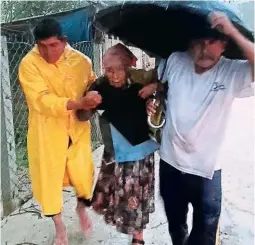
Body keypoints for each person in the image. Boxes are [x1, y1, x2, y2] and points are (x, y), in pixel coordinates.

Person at [147, 11, 254, 245]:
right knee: (176, 226)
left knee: (205, 234)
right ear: (189, 43)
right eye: (199, 42)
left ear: (224, 45)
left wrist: (233, 30)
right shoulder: (175, 60)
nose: (205, 49)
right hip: (170, 163)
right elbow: (163, 88)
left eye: (213, 42)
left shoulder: (233, 71)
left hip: (207, 171)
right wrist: (154, 99)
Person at [18, 18, 102, 245]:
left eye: (53, 45)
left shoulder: (81, 61)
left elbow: (92, 83)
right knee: (49, 181)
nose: (47, 52)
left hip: (77, 130)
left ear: (64, 41)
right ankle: (60, 228)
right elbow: (40, 100)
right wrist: (78, 104)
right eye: (42, 46)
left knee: (83, 175)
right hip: (47, 133)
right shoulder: (29, 64)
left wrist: (95, 97)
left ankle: (82, 209)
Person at [76, 51, 159, 245]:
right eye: (108, 70)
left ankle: (138, 237)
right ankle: (82, 208)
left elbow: (164, 87)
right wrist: (88, 103)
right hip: (115, 150)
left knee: (137, 196)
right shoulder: (100, 86)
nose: (113, 75)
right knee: (109, 193)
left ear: (127, 67)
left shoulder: (140, 80)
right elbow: (82, 116)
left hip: (140, 149)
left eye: (118, 70)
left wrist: (152, 97)